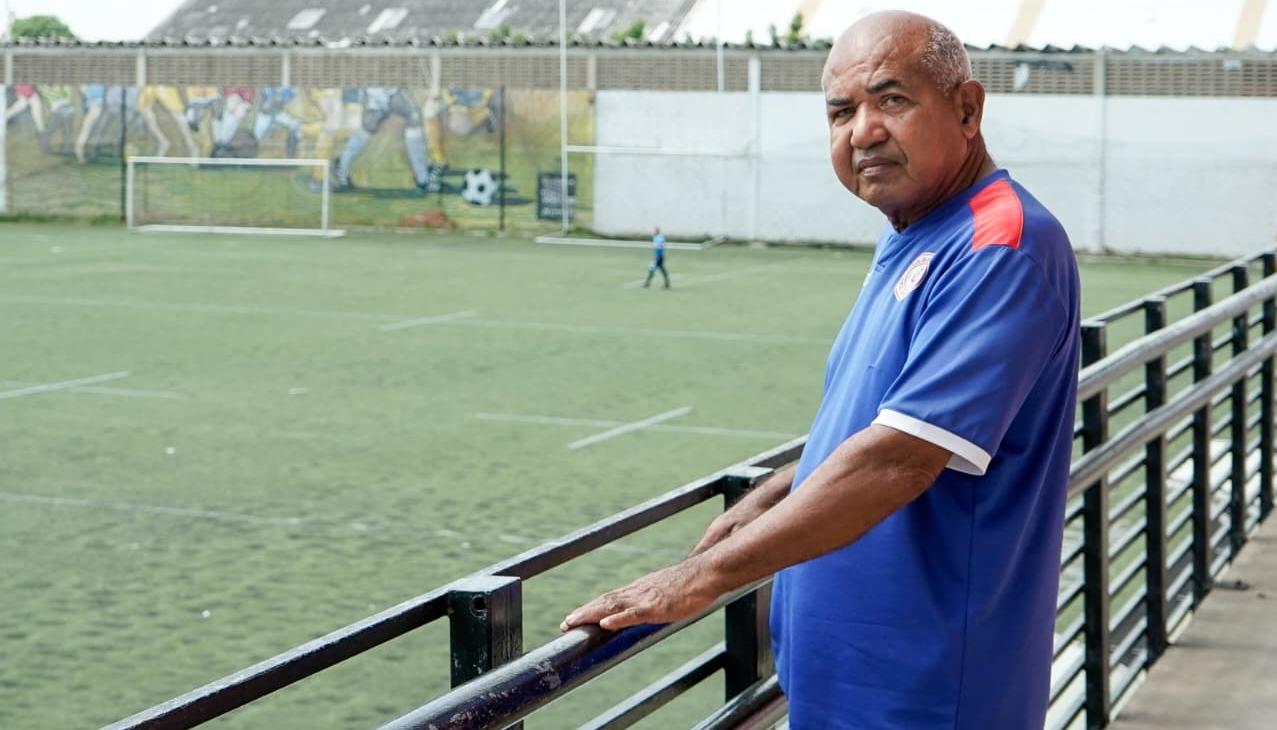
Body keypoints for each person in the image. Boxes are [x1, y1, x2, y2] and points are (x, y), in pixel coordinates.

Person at [562, 11, 1080, 729]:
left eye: (890, 100)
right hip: (853, 682)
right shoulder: (918, 235)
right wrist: (782, 491)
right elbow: (883, 421)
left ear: (967, 108)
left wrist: (697, 579)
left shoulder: (999, 245)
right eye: (840, 112)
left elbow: (899, 457)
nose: (862, 131)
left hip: (926, 695)